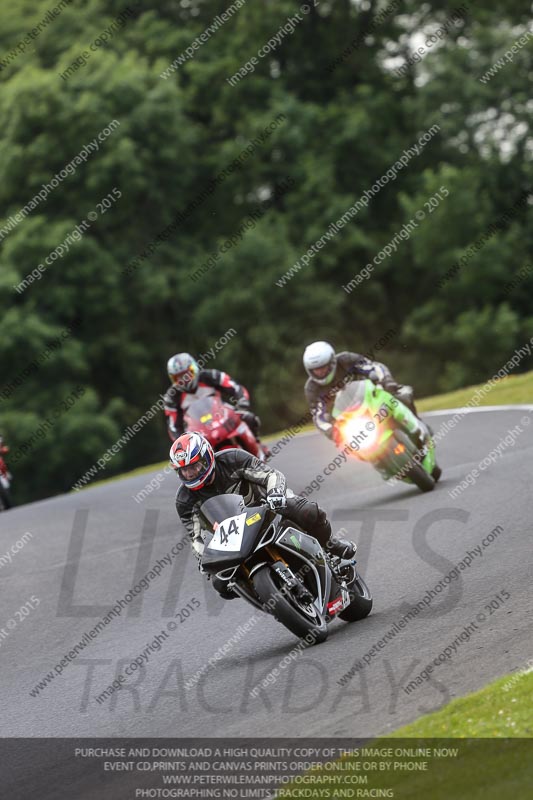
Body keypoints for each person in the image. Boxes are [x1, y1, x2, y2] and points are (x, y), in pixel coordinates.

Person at [171, 432, 356, 598]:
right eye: (184, 470)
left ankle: (330, 545)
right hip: (233, 536)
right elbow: (196, 537)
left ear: (207, 457)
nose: (190, 473)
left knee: (306, 511)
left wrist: (275, 493)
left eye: (194, 466)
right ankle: (265, 593)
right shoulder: (184, 500)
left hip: (268, 506)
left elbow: (270, 475)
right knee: (220, 583)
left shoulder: (232, 458)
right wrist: (204, 558)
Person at [303, 340, 424, 441]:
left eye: (323, 367)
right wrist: (331, 431)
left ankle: (419, 426)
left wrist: (387, 381)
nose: (320, 372)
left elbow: (374, 366)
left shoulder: (346, 360)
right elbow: (318, 416)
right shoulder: (312, 389)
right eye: (315, 370)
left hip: (370, 398)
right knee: (350, 446)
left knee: (402, 395)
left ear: (332, 362)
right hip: (347, 418)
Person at [163, 352, 263, 445]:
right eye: (178, 377)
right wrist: (181, 440)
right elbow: (173, 426)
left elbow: (236, 388)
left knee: (249, 418)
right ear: (172, 379)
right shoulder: (171, 397)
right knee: (188, 452)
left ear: (194, 368)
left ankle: (259, 447)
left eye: (187, 374)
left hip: (223, 414)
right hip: (196, 430)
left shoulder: (211, 376)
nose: (184, 380)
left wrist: (242, 403)